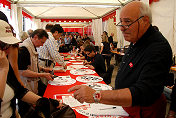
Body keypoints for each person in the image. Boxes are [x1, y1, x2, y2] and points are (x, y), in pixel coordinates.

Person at [68, 1, 172, 118]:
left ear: (145, 20)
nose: (122, 28)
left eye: (127, 22)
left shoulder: (158, 47)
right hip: (125, 107)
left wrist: (96, 95)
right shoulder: (137, 39)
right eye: (121, 22)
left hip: (143, 111)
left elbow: (144, 92)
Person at [0, 20, 62, 118]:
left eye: (10, 46)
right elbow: (23, 73)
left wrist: (45, 102)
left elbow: (20, 91)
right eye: (3, 46)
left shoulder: (7, 68)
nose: (8, 50)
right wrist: (3, 69)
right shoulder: (23, 50)